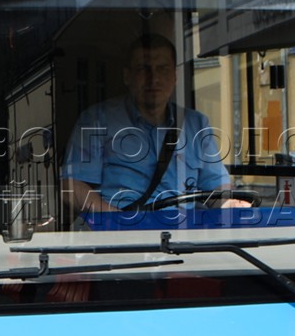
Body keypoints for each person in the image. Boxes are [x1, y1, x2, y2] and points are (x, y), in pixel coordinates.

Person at [60, 33, 240, 215]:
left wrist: (228, 204)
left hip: (184, 236)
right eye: (143, 69)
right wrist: (116, 220)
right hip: (121, 237)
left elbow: (217, 186)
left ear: (175, 76)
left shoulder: (197, 124)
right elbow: (72, 187)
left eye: (162, 69)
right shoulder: (96, 121)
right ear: (127, 76)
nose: (153, 78)